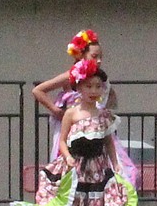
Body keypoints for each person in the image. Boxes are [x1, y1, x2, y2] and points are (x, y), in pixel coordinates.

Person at [10, 60, 138, 206]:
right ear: (78, 87)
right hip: (74, 166)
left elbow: (108, 141)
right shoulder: (71, 113)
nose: (94, 91)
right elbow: (62, 140)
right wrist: (68, 156)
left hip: (95, 169)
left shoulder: (103, 115)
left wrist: (115, 163)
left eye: (98, 86)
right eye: (89, 86)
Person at [31, 30, 137, 187]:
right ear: (81, 55)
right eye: (94, 56)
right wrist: (57, 111)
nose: (99, 60)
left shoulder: (99, 78)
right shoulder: (72, 76)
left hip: (97, 126)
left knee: (121, 171)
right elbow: (38, 90)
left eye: (101, 57)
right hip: (76, 128)